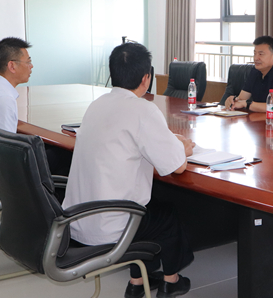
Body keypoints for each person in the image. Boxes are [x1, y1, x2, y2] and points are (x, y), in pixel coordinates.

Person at [62, 42, 194, 298]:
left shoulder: (97, 105)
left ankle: (137, 282)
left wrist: (169, 142)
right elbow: (178, 167)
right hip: (110, 225)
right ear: (146, 78)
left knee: (143, 205)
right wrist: (184, 148)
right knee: (165, 216)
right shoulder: (143, 109)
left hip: (76, 220)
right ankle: (171, 280)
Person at [225, 36, 273, 118]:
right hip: (262, 120)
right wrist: (233, 100)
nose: (256, 58)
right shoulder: (255, 71)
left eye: (261, 54)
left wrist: (247, 104)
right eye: (255, 53)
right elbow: (242, 99)